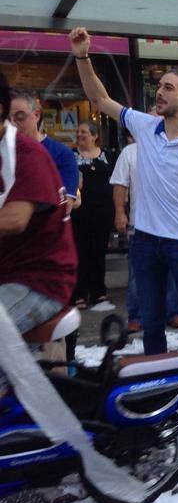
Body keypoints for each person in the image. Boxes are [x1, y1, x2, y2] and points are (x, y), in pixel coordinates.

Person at [71, 27, 178, 397]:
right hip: (145, 242)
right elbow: (99, 98)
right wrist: (82, 56)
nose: (159, 92)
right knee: (152, 323)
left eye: (168, 88)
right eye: (158, 86)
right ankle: (161, 386)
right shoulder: (145, 126)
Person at [0, 70, 78, 339]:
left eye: (20, 116)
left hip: (36, 280)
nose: (16, 122)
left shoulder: (27, 153)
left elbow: (15, 219)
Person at [110, 129, 178, 333]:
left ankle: (173, 312)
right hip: (140, 224)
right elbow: (119, 184)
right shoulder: (130, 152)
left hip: (171, 224)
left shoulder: (174, 150)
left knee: (172, 272)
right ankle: (137, 315)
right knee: (137, 273)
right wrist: (119, 212)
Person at [8, 90, 80, 213]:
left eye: (20, 117)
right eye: (6, 119)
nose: (12, 124)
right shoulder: (4, 151)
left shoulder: (61, 153)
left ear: (36, 115)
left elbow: (65, 204)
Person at [68, 121, 114, 309]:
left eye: (84, 132)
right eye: (78, 131)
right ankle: (79, 293)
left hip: (102, 212)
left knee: (98, 252)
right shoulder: (71, 156)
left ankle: (98, 291)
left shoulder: (107, 156)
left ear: (95, 136)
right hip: (79, 213)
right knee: (80, 252)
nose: (79, 135)